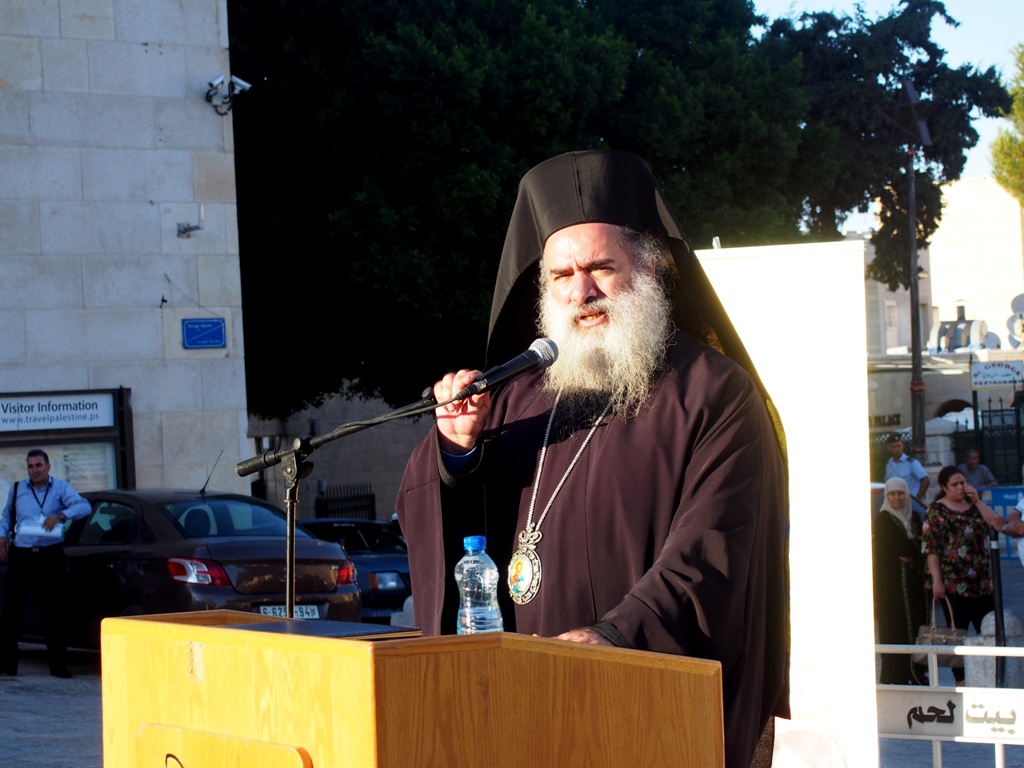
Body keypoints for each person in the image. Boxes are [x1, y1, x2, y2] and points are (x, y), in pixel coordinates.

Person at [397, 150, 789, 768]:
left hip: (643, 702)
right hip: (519, 706)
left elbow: (713, 553)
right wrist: (458, 451)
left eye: (602, 267)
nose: (581, 290)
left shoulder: (713, 392)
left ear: (652, 269)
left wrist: (613, 637)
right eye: (562, 275)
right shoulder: (515, 394)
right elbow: (443, 518)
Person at [922, 465, 1022, 684]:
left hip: (981, 583)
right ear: (944, 487)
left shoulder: (974, 507)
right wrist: (937, 581)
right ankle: (961, 681)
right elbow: (932, 549)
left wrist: (977, 501)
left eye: (963, 483)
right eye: (955, 484)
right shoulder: (937, 511)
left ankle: (995, 675)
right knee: (957, 632)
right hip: (954, 585)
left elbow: (997, 523)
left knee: (991, 628)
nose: (960, 488)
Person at [0, 449, 91, 677]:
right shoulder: (18, 488)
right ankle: (8, 665)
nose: (34, 470)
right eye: (31, 466)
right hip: (21, 554)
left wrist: (60, 515)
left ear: (48, 467)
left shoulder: (60, 488)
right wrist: (2, 534)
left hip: (49, 555)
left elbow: (84, 507)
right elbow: (6, 516)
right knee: (11, 610)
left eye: (39, 465)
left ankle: (57, 665)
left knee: (53, 610)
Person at [871, 477, 927, 684]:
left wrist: (915, 549)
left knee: (916, 627)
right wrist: (915, 547)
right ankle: (897, 675)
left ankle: (917, 672)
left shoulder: (913, 519)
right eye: (892, 494)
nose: (897, 498)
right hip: (893, 587)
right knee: (896, 629)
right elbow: (904, 549)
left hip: (913, 587)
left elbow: (921, 549)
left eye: (901, 493)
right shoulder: (884, 520)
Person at [884, 434, 930, 502]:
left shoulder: (911, 463)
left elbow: (926, 480)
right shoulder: (889, 464)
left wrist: (917, 498)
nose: (897, 449)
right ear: (889, 448)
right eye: (894, 447)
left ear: (903, 446)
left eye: (899, 446)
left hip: (910, 502)